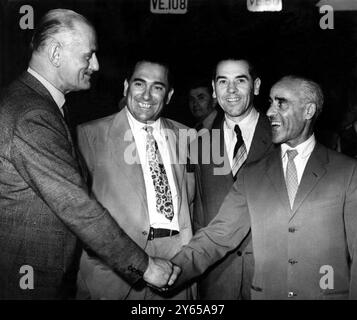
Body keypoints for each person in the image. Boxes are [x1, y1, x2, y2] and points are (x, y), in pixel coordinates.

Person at [0, 9, 177, 300]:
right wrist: (145, 268)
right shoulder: (32, 115)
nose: (95, 65)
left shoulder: (39, 104)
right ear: (56, 54)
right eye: (88, 55)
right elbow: (76, 205)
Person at [171, 75, 357, 299]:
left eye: (281, 103)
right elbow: (217, 236)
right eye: (270, 102)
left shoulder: (347, 172)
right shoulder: (252, 174)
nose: (269, 112)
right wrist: (170, 271)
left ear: (308, 111)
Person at [76, 59, 195, 300]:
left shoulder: (189, 137)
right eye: (139, 84)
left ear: (169, 95)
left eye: (158, 87)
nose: (147, 95)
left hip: (177, 267)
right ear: (125, 87)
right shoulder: (88, 136)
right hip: (115, 273)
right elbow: (78, 213)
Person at [191, 58, 273, 300]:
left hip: (270, 278)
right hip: (217, 281)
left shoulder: (284, 138)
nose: (231, 90)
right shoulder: (199, 143)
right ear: (214, 89)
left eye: (240, 80)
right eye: (223, 82)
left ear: (256, 86)